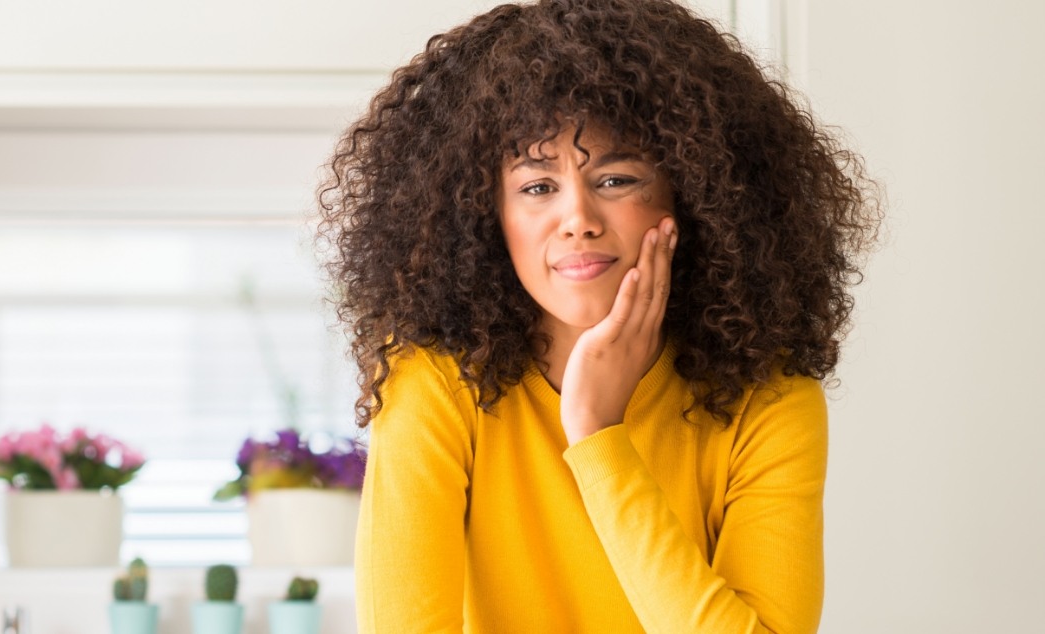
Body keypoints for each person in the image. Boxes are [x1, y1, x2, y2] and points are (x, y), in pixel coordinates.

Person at [316, 0, 881, 632]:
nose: (578, 218)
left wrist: (596, 437)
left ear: (693, 193)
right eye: (537, 187)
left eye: (615, 179)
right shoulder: (433, 381)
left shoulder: (771, 400)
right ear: (486, 217)